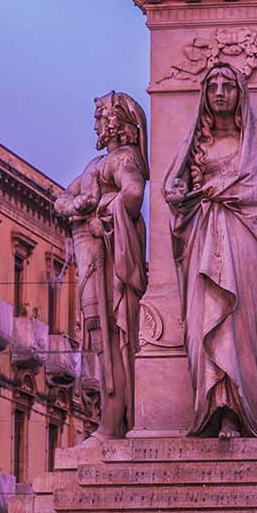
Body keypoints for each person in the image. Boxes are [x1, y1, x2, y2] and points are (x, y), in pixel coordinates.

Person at [164, 61, 257, 436]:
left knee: (237, 322)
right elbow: (173, 188)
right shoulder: (195, 146)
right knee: (204, 320)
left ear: (240, 95)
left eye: (227, 86)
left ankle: (237, 408)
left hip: (242, 238)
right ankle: (211, 406)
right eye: (212, 85)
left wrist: (225, 191)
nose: (219, 92)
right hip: (202, 237)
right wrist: (177, 195)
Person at [55, 93, 148, 439]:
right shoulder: (97, 163)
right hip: (92, 257)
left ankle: (113, 422)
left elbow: (134, 193)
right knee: (100, 335)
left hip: (107, 257)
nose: (95, 124)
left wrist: (102, 210)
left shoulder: (124, 159)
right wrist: (84, 202)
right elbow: (62, 198)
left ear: (115, 123)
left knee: (112, 336)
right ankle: (110, 419)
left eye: (100, 117)